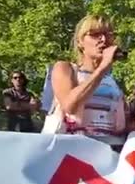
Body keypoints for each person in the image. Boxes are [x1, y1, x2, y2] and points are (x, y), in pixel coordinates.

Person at [50, 14, 126, 148]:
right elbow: (70, 106)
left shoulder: (112, 81)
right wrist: (102, 68)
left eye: (108, 35)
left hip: (109, 151)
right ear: (80, 42)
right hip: (73, 151)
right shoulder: (66, 69)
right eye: (95, 34)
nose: (103, 39)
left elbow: (121, 125)